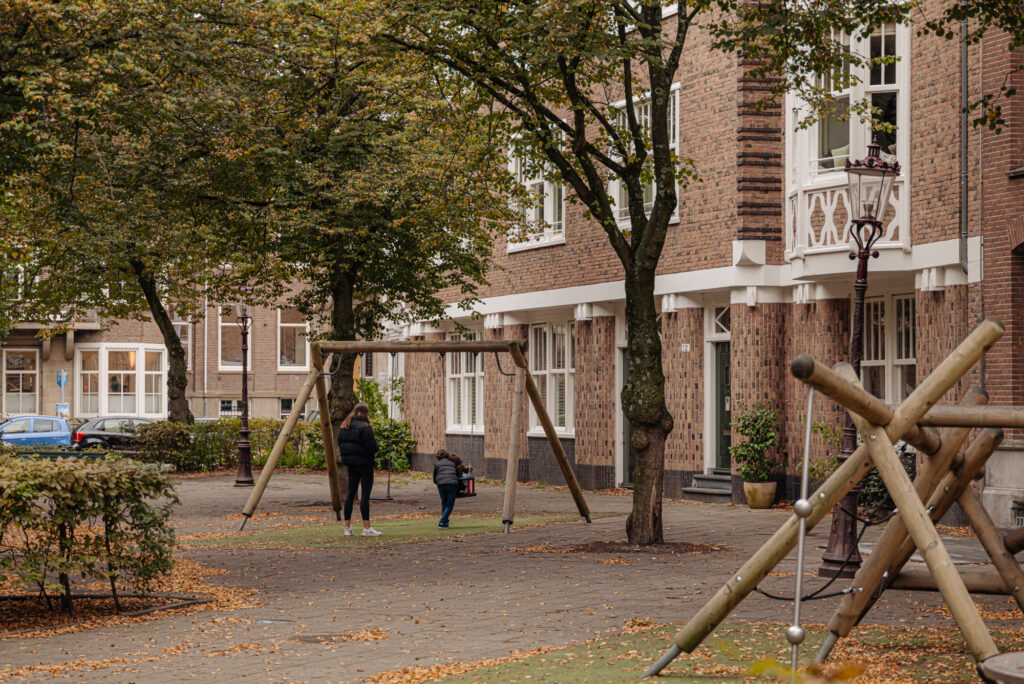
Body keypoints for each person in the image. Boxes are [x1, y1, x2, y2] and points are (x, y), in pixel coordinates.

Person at [337, 402, 381, 537]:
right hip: (365, 463)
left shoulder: (344, 427)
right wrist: (376, 443)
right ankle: (366, 528)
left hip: (351, 464)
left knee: (350, 494)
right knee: (365, 495)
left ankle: (347, 528)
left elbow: (341, 445)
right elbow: (372, 447)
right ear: (365, 414)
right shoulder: (365, 428)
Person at [433, 449, 459, 528]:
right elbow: (458, 475)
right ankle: (442, 522)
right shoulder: (452, 464)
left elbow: (434, 478)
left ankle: (445, 523)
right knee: (449, 504)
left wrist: (438, 483)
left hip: (441, 485)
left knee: (444, 502)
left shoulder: (437, 465)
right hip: (452, 484)